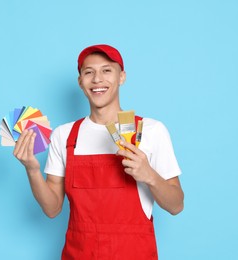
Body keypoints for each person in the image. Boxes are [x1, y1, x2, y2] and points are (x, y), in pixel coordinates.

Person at [13, 44, 184, 259]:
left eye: (106, 70)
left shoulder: (151, 131)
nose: (97, 79)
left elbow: (176, 205)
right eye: (89, 72)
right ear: (80, 82)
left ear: (122, 77)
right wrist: (32, 169)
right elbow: (52, 209)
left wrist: (149, 175)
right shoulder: (64, 135)